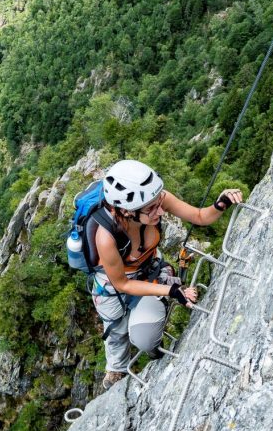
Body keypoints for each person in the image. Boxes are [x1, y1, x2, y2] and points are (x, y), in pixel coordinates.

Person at [90, 159, 243, 390]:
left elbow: (200, 217)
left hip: (148, 271)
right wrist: (171, 290)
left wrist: (220, 204)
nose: (160, 211)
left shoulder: (155, 200)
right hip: (111, 285)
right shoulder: (106, 237)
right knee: (116, 330)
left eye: (158, 202)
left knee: (143, 339)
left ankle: (153, 348)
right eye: (151, 209)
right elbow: (122, 284)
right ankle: (116, 370)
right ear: (125, 211)